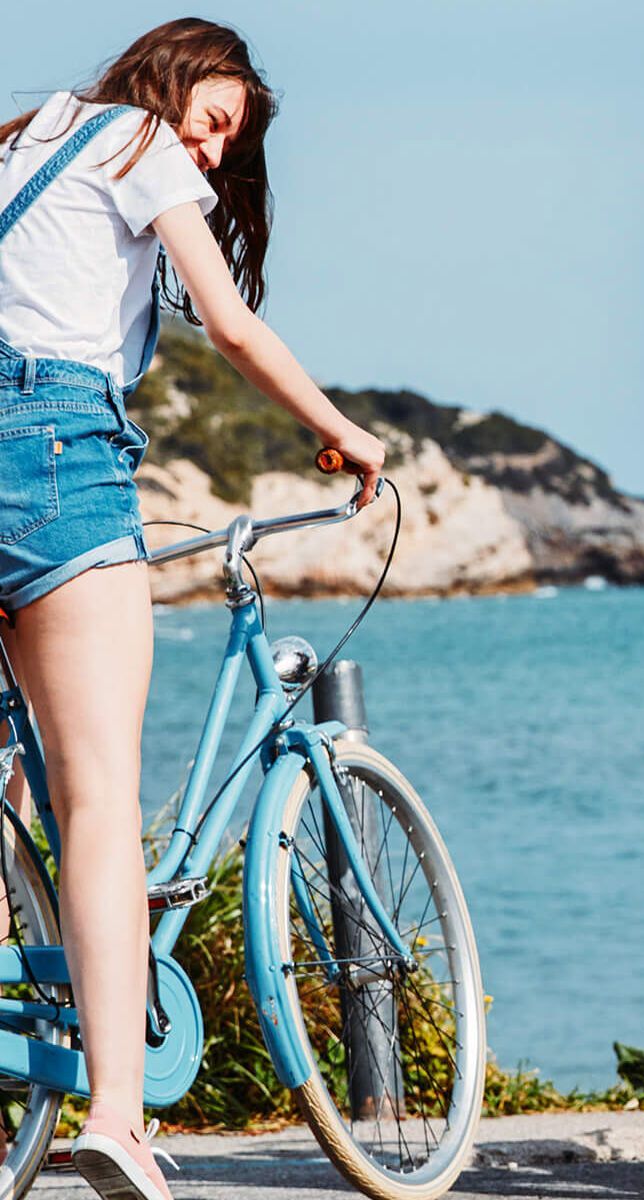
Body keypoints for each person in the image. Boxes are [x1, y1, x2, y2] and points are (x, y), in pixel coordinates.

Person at [0, 20, 383, 1200]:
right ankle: (117, 1112)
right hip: (61, 453)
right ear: (167, 79)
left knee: (7, 793)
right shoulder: (137, 140)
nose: (211, 157)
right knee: (97, 790)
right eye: (214, 124)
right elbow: (226, 321)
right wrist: (341, 428)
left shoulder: (17, 140)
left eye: (225, 145)